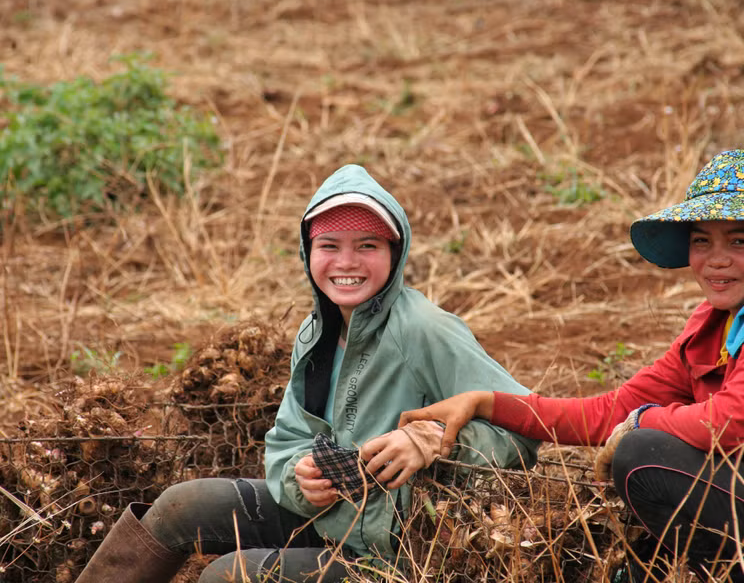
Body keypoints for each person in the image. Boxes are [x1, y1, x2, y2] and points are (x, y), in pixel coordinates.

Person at [75, 164, 540, 583]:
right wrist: (301, 477)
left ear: (395, 253)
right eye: (329, 246)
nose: (346, 262)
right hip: (328, 517)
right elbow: (289, 437)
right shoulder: (316, 332)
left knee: (228, 577)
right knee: (183, 505)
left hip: (395, 553)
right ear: (308, 252)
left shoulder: (424, 329)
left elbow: (525, 426)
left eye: (367, 246)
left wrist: (432, 439)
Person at [399, 149, 744, 582]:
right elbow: (610, 411)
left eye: (740, 241)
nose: (717, 259)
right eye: (701, 241)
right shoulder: (714, 323)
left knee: (642, 454)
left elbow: (728, 422)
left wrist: (641, 422)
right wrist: (485, 402)